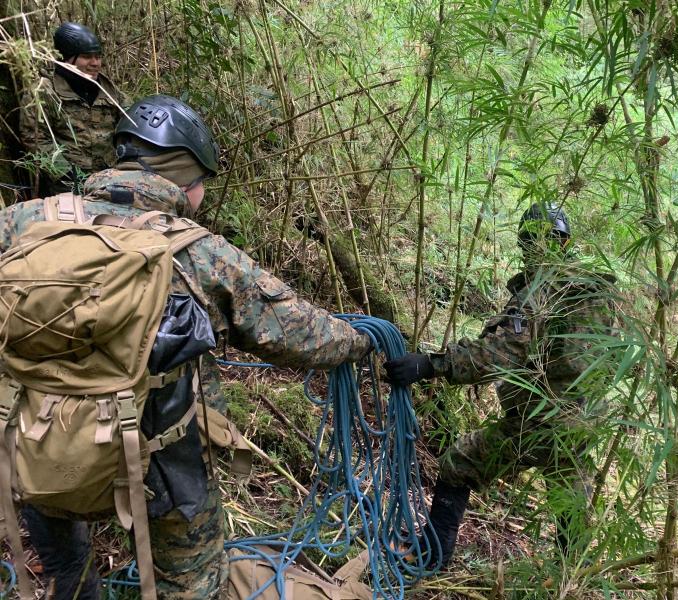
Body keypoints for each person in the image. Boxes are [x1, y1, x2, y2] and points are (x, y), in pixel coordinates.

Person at [0, 95, 373, 599]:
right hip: (158, 457)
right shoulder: (193, 248)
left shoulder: (22, 222)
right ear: (185, 177)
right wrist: (362, 341)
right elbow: (298, 333)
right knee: (192, 585)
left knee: (67, 562)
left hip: (34, 440)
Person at [385, 203, 619, 565]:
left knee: (459, 463)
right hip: (585, 421)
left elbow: (502, 352)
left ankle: (432, 555)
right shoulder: (598, 293)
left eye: (535, 242)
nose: (534, 250)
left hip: (538, 423)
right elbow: (617, 361)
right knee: (571, 497)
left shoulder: (541, 291)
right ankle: (568, 580)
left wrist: (431, 365)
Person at [18, 22, 126, 196]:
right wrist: (68, 174)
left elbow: (131, 124)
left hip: (110, 179)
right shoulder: (45, 91)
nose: (95, 63)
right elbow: (35, 138)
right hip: (66, 185)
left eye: (98, 57)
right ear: (66, 58)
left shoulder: (108, 89)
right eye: (87, 57)